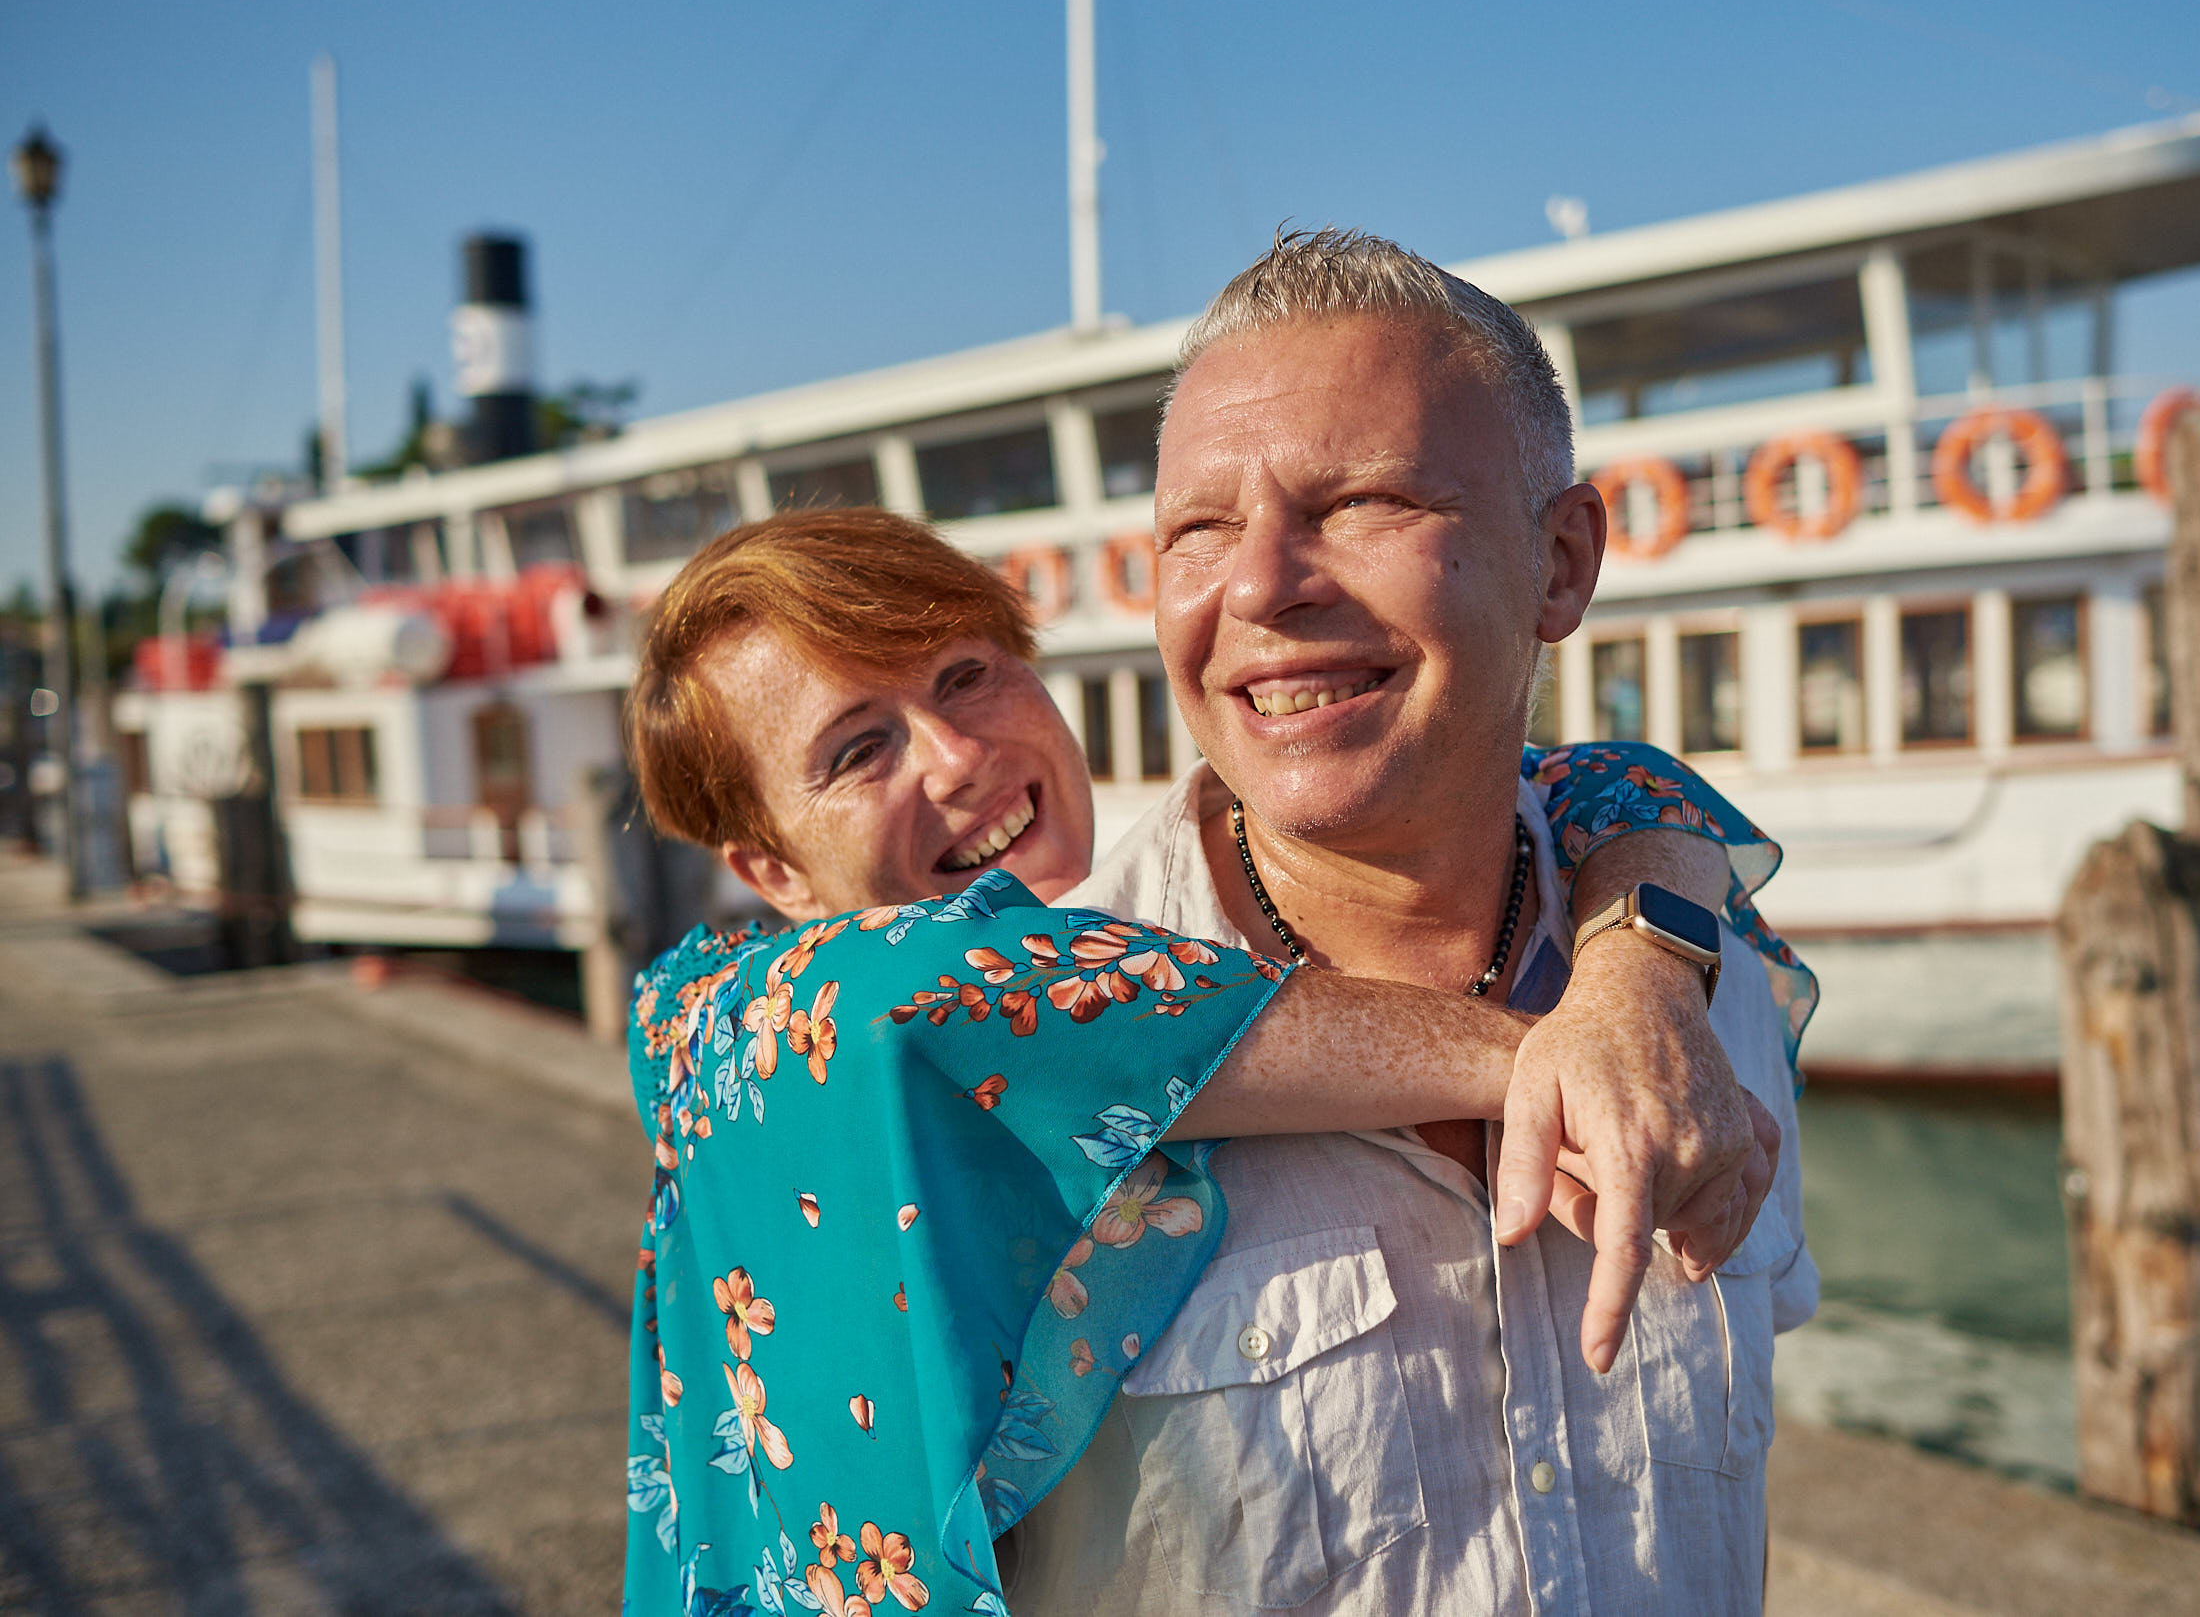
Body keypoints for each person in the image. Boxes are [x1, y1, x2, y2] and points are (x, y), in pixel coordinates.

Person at [616, 508, 1790, 1614]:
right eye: (859, 748)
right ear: (771, 872)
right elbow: (944, 1002)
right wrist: (1583, 1058)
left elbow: (1618, 783)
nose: (956, 755)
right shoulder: (746, 1037)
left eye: (966, 674)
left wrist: (1638, 967)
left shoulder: (1563, 865)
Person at [999, 229, 1817, 1615]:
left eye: (1363, 501)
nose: (1259, 585)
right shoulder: (1017, 1066)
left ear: (1561, 561)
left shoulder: (1702, 970)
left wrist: (1646, 960)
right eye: (1199, 529)